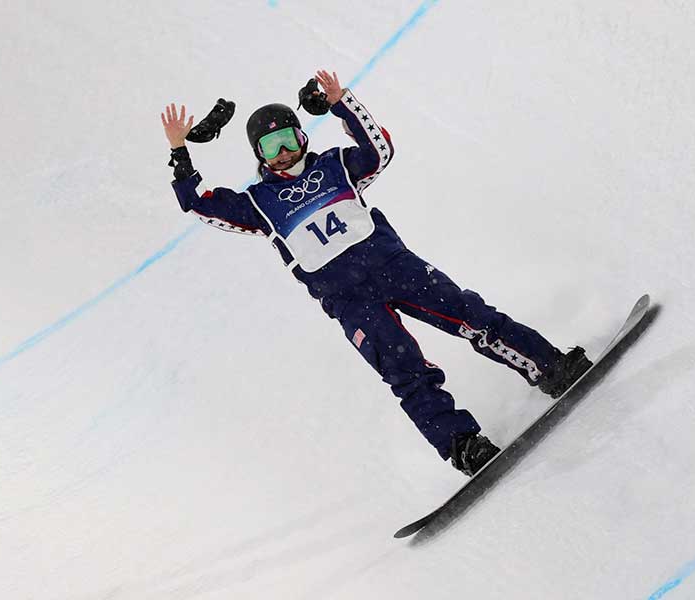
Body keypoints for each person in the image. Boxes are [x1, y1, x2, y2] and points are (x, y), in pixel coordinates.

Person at [161, 69, 592, 476]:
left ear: (300, 135)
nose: (285, 152)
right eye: (271, 147)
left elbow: (379, 150)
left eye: (288, 139)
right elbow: (199, 203)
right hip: (351, 302)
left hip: (394, 267)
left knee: (471, 314)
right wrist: (179, 150)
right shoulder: (257, 203)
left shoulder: (335, 165)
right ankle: (464, 446)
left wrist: (341, 103)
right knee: (405, 370)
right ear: (259, 155)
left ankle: (550, 368)